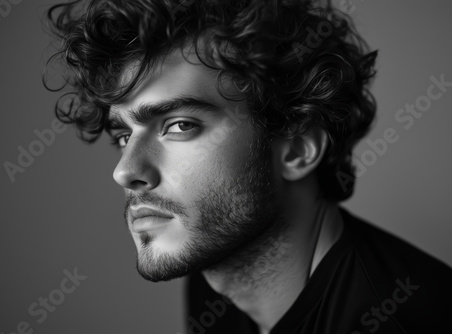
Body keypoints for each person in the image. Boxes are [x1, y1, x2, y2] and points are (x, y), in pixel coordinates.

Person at [44, 0, 452, 333]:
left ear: (297, 150)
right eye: (123, 135)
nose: (124, 170)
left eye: (180, 125)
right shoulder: (214, 272)